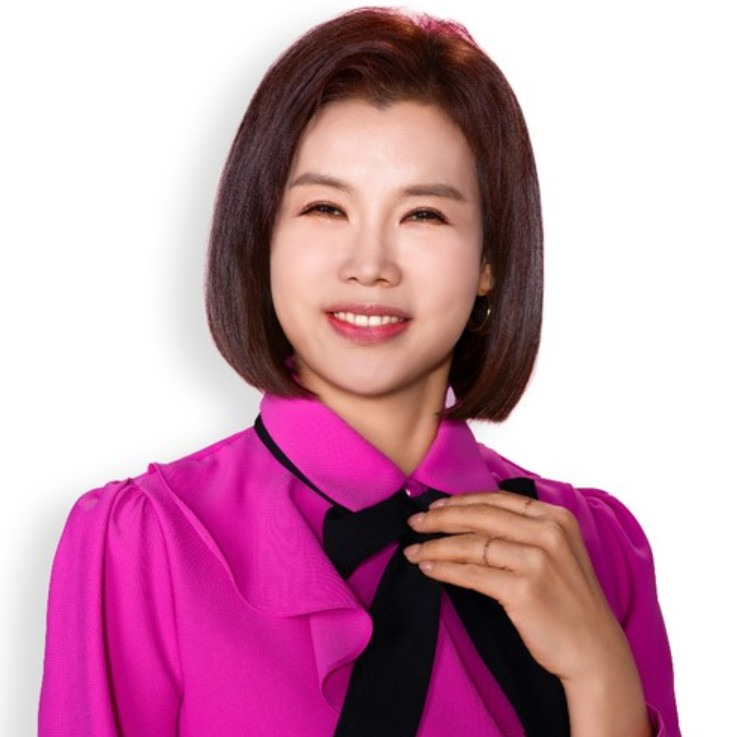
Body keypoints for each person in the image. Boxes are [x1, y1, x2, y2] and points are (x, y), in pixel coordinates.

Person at [38, 6, 681, 737]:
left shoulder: (594, 548)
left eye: (424, 215)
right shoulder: (145, 545)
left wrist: (600, 676)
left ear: (490, 261)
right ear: (263, 236)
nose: (369, 265)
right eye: (324, 207)